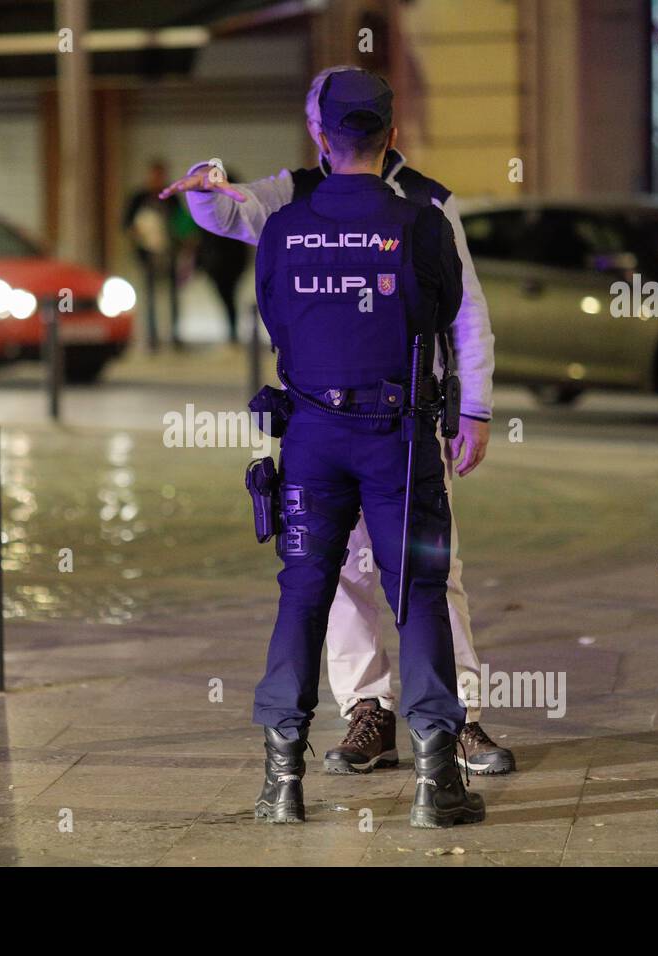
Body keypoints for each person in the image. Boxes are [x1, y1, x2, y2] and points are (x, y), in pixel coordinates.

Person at [161, 66, 513, 777]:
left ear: (330, 128)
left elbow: (467, 314)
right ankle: (369, 711)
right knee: (354, 572)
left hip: (406, 417)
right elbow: (232, 211)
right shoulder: (295, 196)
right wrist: (208, 184)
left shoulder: (426, 206)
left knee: (431, 574)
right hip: (330, 421)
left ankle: (461, 718)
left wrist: (472, 406)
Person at [243, 69, 484, 827]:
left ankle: (283, 778)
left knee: (304, 590)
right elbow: (446, 315)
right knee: (418, 593)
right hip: (399, 440)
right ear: (391, 133)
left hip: (311, 436)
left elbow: (275, 320)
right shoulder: (422, 223)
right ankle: (435, 777)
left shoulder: (284, 227)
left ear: (321, 137)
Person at [123, 160, 181, 349]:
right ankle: (152, 338)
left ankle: (174, 336)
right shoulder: (139, 197)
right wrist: (140, 233)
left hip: (169, 252)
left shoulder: (171, 197)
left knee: (172, 295)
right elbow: (126, 224)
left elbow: (182, 222)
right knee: (149, 295)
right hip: (146, 253)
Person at [196, 167, 251, 343]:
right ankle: (232, 333)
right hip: (216, 263)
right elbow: (203, 238)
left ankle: (232, 334)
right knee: (226, 297)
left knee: (228, 297)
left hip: (230, 262)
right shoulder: (210, 207)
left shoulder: (236, 207)